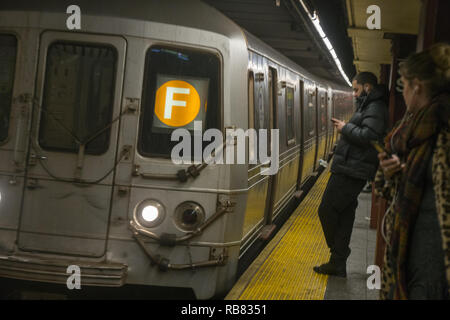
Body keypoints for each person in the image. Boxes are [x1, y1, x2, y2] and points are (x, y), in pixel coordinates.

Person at [375, 43, 449, 300]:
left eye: (403, 85)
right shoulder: (410, 130)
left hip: (437, 260)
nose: (402, 92)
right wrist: (390, 172)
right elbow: (387, 189)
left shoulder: (443, 128)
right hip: (410, 250)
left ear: (416, 85)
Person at [313, 71, 388, 277]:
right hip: (350, 167)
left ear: (367, 87)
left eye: (356, 89)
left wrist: (345, 128)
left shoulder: (376, 107)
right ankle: (337, 264)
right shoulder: (368, 105)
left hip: (352, 170)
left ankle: (340, 253)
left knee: (326, 210)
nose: (354, 94)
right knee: (345, 215)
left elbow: (370, 136)